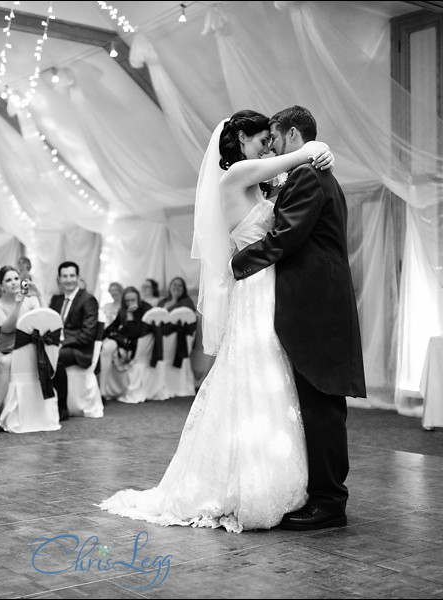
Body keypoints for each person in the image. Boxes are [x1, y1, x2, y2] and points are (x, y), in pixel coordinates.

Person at [99, 109, 335, 532]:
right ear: (241, 139)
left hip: (267, 284)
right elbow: (289, 162)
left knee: (266, 378)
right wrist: (316, 149)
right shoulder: (236, 175)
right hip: (255, 285)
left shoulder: (253, 181)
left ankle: (269, 473)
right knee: (255, 373)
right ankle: (251, 483)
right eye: (262, 138)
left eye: (271, 138)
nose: (267, 146)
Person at [231, 106, 366, 531]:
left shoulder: (308, 174)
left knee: (322, 404)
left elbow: (287, 236)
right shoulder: (315, 173)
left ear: (292, 134)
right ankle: (322, 495)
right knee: (316, 402)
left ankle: (329, 502)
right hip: (318, 302)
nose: (270, 145)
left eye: (274, 136)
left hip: (318, 305)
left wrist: (237, 263)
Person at [48, 261, 98, 421]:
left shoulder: (87, 299)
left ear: (78, 277)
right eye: (65, 276)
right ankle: (43, 404)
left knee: (57, 357)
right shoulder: (56, 299)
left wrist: (62, 343)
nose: (68, 280)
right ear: (59, 279)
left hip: (79, 349)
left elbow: (87, 334)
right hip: (59, 345)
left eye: (72, 276)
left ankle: (62, 406)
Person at [0, 265, 42, 407]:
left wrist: (39, 296)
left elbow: (43, 322)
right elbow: (6, 328)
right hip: (5, 348)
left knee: (3, 363)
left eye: (16, 278)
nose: (14, 282)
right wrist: (18, 305)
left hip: (27, 348)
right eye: (8, 280)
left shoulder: (31, 300)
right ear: (1, 287)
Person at [99, 286, 151, 397]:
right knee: (106, 348)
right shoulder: (123, 310)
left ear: (138, 298)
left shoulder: (146, 309)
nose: (130, 303)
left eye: (133, 300)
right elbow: (112, 327)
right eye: (127, 301)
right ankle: (102, 390)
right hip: (124, 342)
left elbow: (138, 333)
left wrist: (130, 318)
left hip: (139, 345)